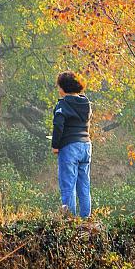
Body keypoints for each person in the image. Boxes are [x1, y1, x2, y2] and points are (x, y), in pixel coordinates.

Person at [51, 72, 93, 219]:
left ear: (63, 88)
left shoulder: (62, 104)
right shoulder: (86, 103)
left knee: (68, 185)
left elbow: (58, 126)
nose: (58, 89)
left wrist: (55, 145)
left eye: (59, 86)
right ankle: (86, 218)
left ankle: (70, 220)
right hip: (86, 145)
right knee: (84, 185)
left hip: (69, 147)